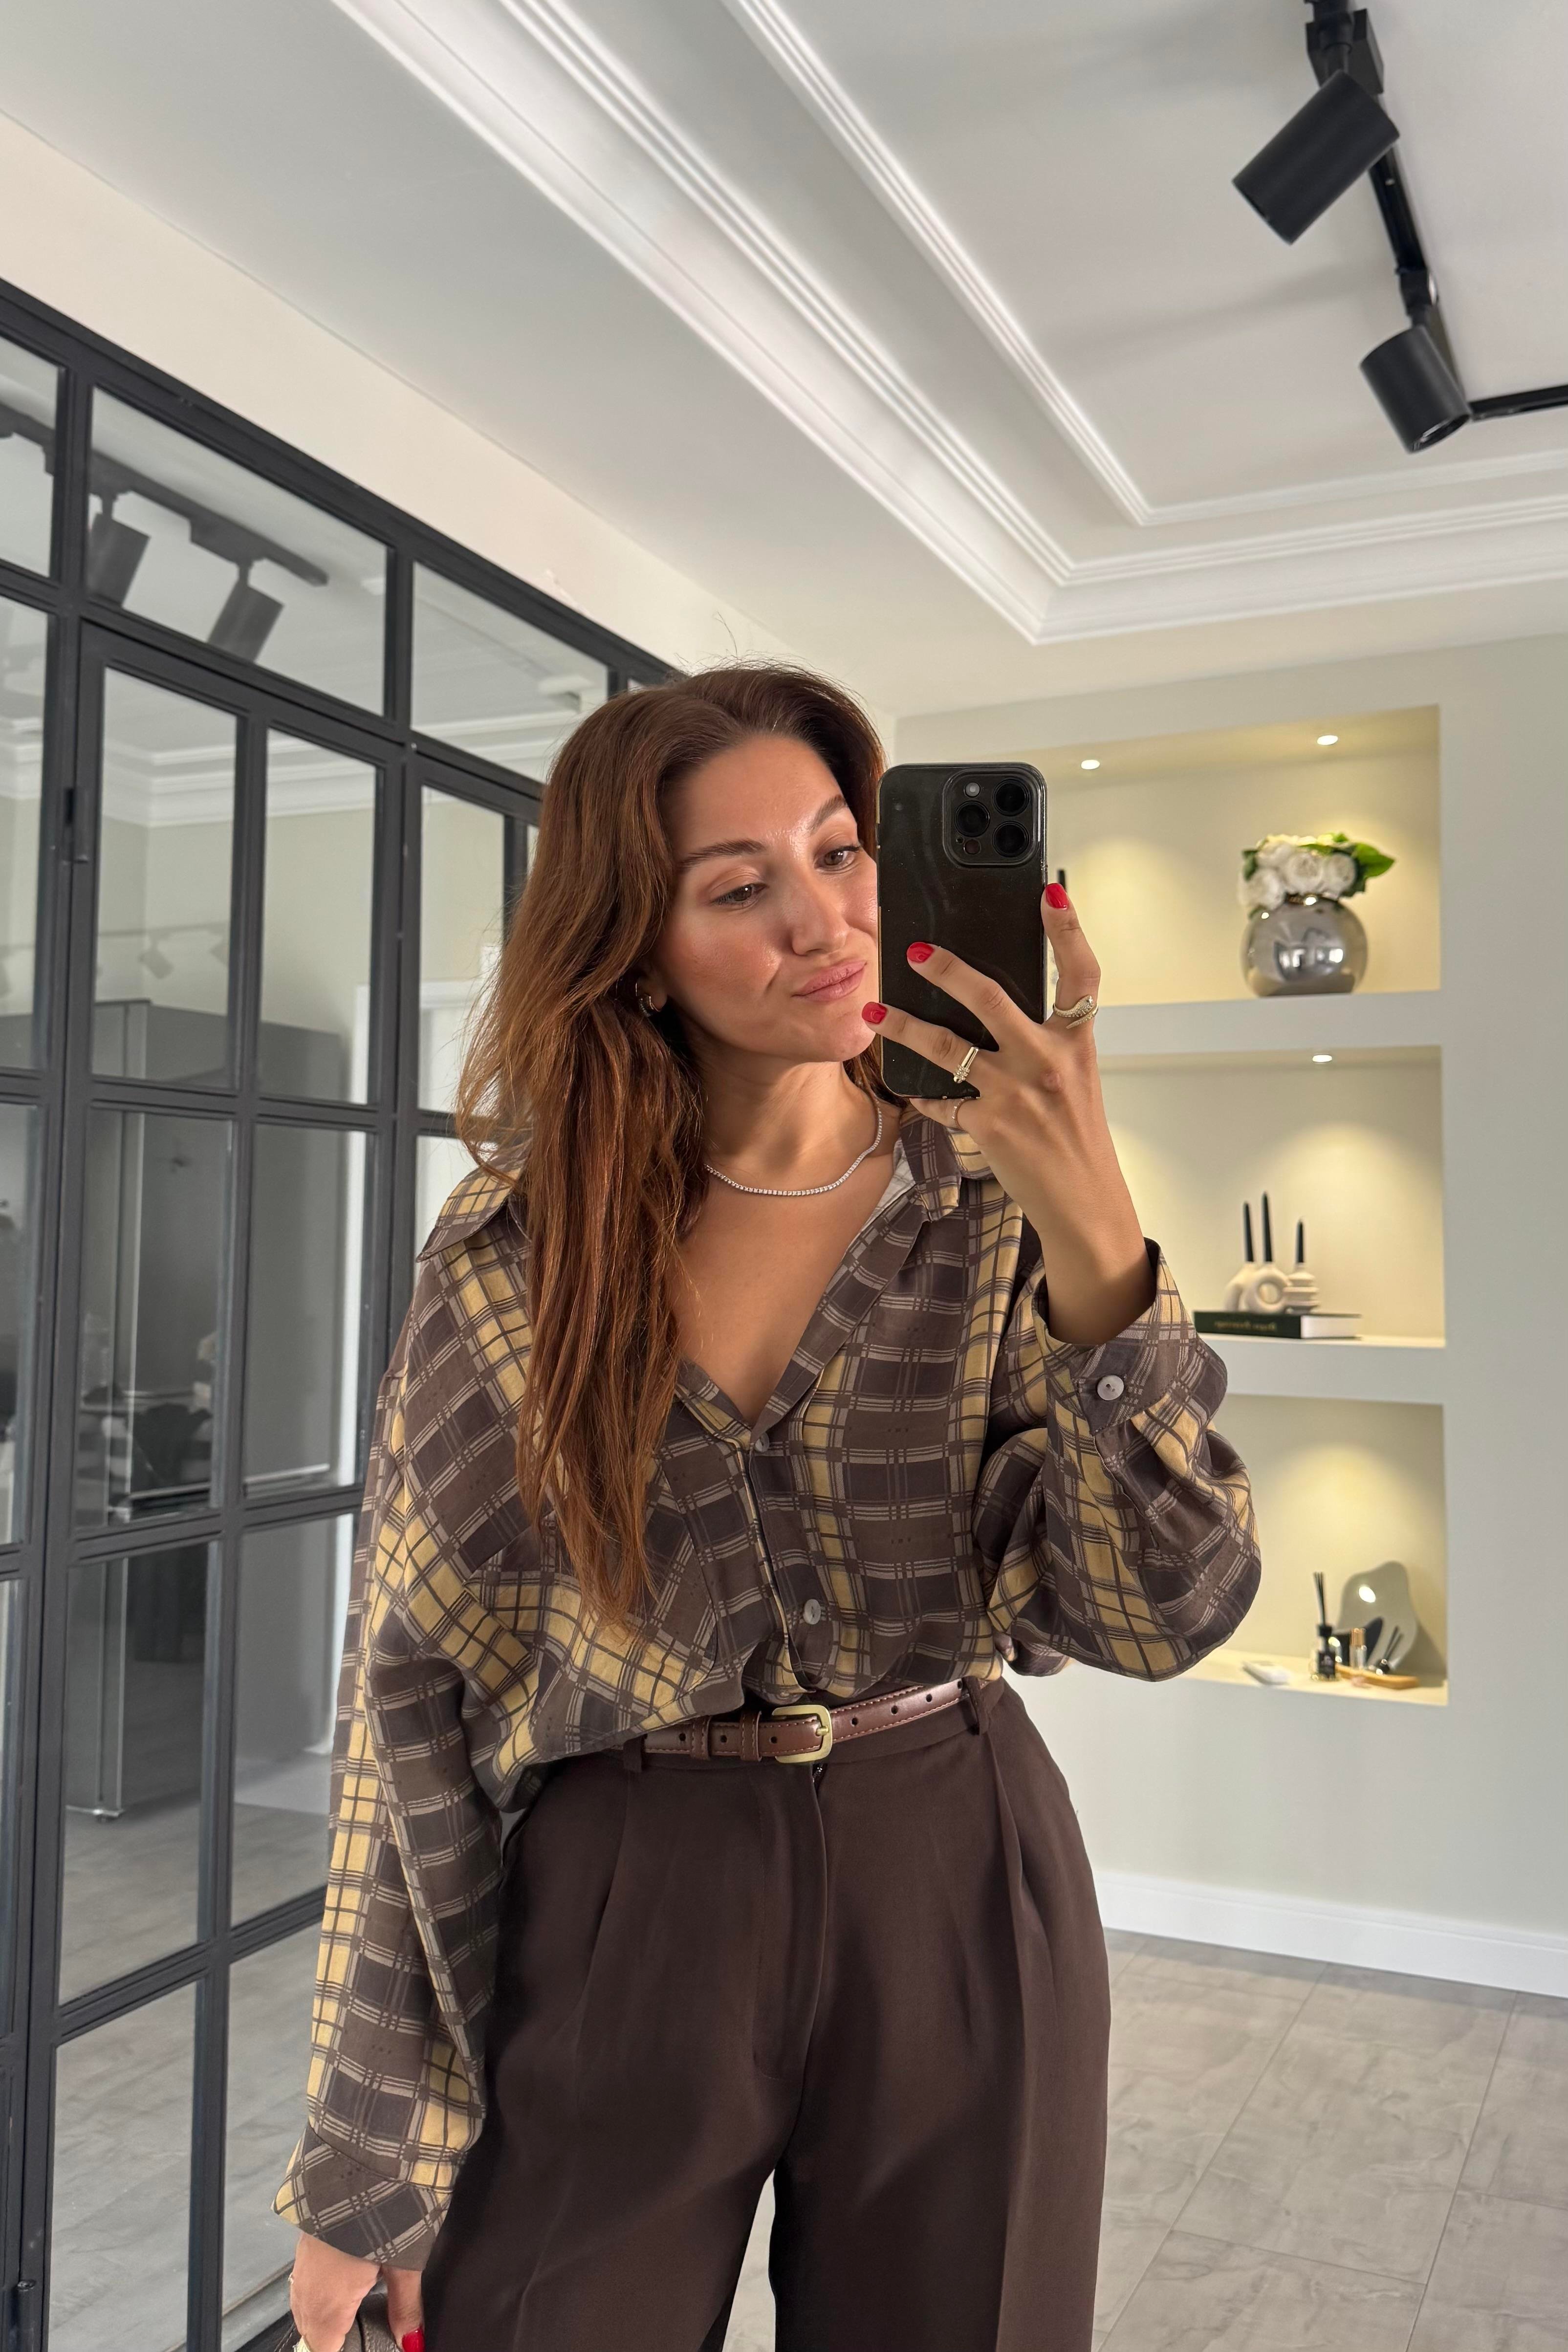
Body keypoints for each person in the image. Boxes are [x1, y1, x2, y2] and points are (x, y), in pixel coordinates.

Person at [282, 664, 1260, 2352]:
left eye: (840, 850)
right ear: (635, 947)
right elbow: (411, 1699)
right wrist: (367, 2159)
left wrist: (1100, 1228)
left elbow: (1162, 1613)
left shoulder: (999, 1210)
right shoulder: (515, 1257)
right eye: (740, 888)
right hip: (623, 1884)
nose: (824, 919)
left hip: (955, 1864)